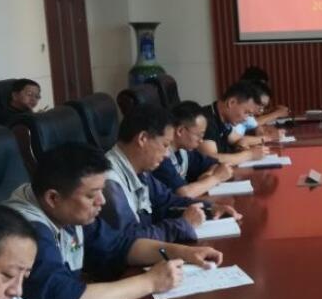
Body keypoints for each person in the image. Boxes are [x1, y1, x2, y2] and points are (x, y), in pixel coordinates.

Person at [5, 143, 224, 299]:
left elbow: (122, 245)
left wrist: (183, 252)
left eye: (101, 190)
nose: (102, 201)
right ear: (53, 198)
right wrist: (151, 282)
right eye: (91, 195)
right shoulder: (25, 232)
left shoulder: (65, 208)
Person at [101, 104, 241, 244]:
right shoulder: (109, 182)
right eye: (165, 145)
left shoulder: (140, 170)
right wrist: (183, 224)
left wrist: (209, 208)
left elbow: (168, 202)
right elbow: (130, 241)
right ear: (143, 138)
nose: (167, 154)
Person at [154, 101, 234, 198]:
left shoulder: (184, 151)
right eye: (199, 135)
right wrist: (216, 178)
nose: (201, 141)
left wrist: (208, 176)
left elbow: (214, 164)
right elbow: (183, 193)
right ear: (180, 131)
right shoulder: (161, 156)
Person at [199, 81, 270, 165]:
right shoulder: (205, 120)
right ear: (231, 102)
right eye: (246, 112)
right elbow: (210, 159)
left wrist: (268, 138)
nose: (246, 119)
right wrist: (249, 155)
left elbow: (239, 139)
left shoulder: (223, 118)